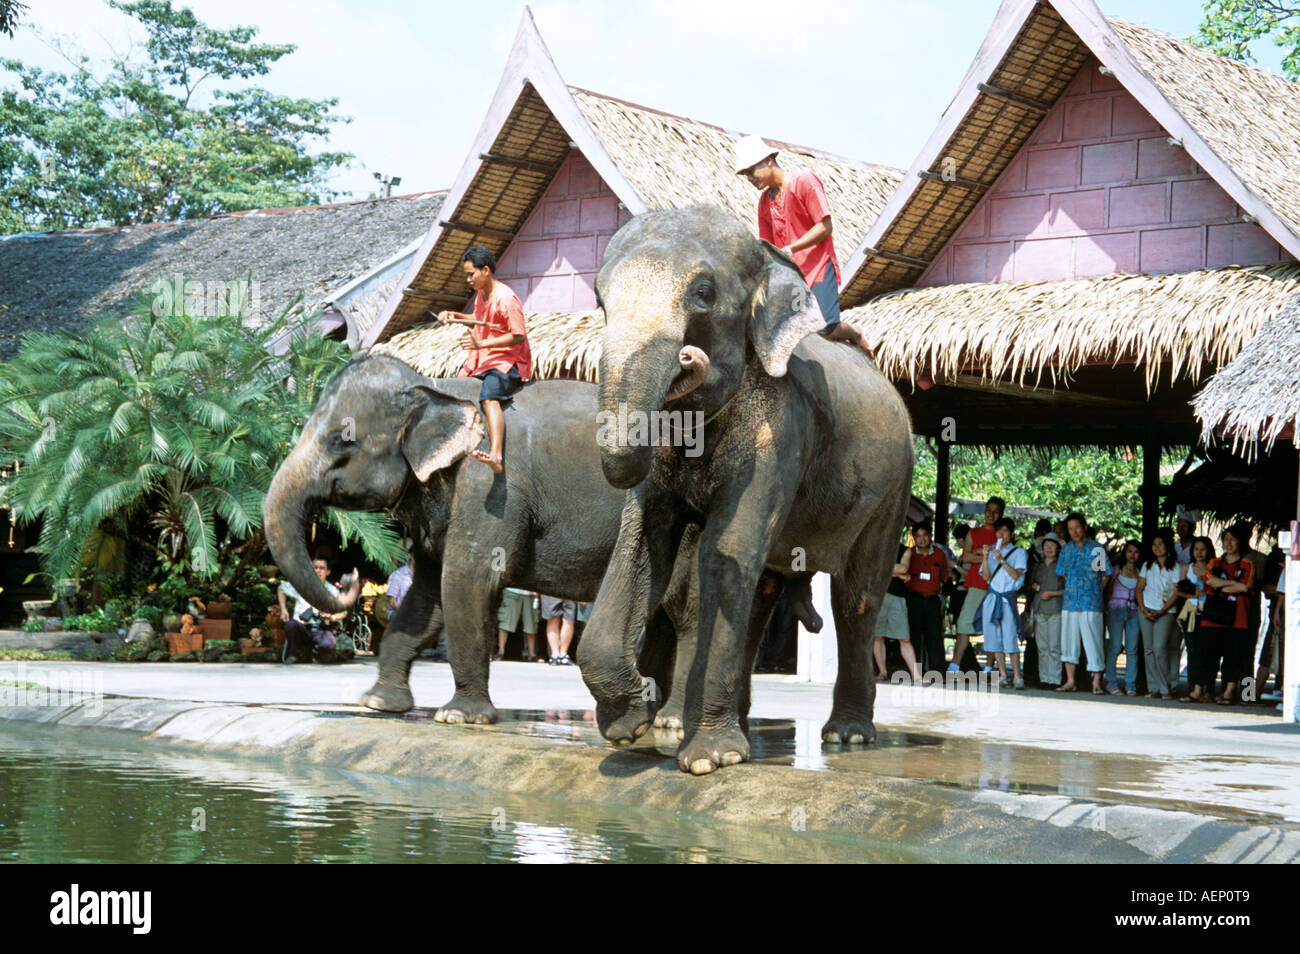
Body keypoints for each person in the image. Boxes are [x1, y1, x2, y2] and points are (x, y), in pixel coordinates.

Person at [733, 135, 876, 362]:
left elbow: (825, 226)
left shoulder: (804, 182)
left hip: (817, 266)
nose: (750, 178)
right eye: (746, 174)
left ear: (768, 160)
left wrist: (791, 248)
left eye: (751, 171)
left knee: (826, 329)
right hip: (791, 275)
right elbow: (768, 246)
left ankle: (854, 332)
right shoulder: (764, 203)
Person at [436, 246, 532, 474]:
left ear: (485, 270)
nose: (468, 279)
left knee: (489, 396)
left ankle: (496, 455)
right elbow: (479, 321)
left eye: (471, 274)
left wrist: (482, 345)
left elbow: (518, 335)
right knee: (457, 385)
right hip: (485, 359)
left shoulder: (506, 298)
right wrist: (455, 316)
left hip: (509, 361)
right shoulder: (482, 294)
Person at [1201, 523, 1256, 705]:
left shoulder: (1250, 562)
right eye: (1226, 539)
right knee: (1211, 655)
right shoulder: (1215, 562)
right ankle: (1210, 691)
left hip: (1243, 616)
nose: (1229, 543)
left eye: (1233, 539)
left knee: (1242, 657)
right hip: (1216, 615)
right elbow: (1209, 582)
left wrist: (1220, 584)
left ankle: (1246, 695)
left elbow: (1245, 586)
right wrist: (1233, 585)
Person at [1056, 512, 1111, 693]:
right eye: (1071, 529)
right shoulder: (1066, 550)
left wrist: (1094, 593)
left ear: (1085, 528)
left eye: (1077, 527)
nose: (1074, 531)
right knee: (1069, 641)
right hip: (1071, 602)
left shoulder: (1096, 549)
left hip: (1091, 602)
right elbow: (1064, 575)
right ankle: (1070, 680)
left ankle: (1096, 681)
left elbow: (1105, 576)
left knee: (1093, 641)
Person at [950, 497, 1004, 673]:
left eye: (996, 511)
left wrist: (979, 553)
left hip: (996, 587)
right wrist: (988, 556)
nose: (991, 514)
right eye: (989, 509)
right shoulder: (973, 533)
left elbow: (1005, 559)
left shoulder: (1003, 534)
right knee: (964, 624)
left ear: (1001, 514)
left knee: (992, 627)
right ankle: (954, 666)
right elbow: (966, 557)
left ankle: (989, 669)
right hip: (976, 584)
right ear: (985, 511)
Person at [980, 517, 1028, 689]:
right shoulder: (991, 550)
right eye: (998, 531)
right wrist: (986, 558)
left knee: (1010, 638)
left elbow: (1016, 575)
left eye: (1005, 531)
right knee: (994, 639)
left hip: (1007, 598)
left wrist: (1001, 559)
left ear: (1012, 534)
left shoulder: (1019, 552)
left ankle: (1017, 676)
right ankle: (1002, 674)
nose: (1001, 534)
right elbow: (986, 577)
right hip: (992, 597)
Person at [1137, 529, 1182, 699]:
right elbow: (1139, 588)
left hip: (1166, 611)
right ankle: (1153, 687)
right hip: (1146, 609)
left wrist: (1162, 610)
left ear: (1168, 546)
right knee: (1148, 649)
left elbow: (1177, 593)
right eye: (1154, 544)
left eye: (1160, 544)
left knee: (1160, 649)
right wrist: (1143, 609)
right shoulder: (1147, 565)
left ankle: (1165, 688)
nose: (1157, 547)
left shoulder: (1175, 567)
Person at [278, 557, 346, 663]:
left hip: (321, 629)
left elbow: (343, 612)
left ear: (328, 572)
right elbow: (281, 588)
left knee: (329, 645)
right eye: (315, 568)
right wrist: (283, 609)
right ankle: (293, 655)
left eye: (322, 568)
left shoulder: (333, 591)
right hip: (301, 627)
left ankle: (313, 655)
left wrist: (333, 617)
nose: (318, 570)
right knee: (290, 625)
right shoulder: (301, 585)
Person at [905, 520, 948, 676]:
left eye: (925, 535)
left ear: (930, 536)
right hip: (914, 599)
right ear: (914, 538)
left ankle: (938, 672)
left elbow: (944, 577)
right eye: (918, 536)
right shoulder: (908, 553)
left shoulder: (939, 554)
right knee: (914, 636)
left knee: (935, 637)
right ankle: (915, 672)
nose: (921, 539)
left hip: (932, 600)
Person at [875, 542, 921, 682]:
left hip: (898, 598)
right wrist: (898, 573)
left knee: (905, 638)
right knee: (877, 637)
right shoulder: (877, 545)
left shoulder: (905, 549)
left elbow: (903, 568)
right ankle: (882, 672)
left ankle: (916, 676)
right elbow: (869, 567)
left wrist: (881, 568)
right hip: (878, 595)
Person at [1179, 536, 1216, 703]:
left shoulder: (1214, 567)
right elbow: (1179, 590)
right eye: (1196, 549)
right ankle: (1194, 688)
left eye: (1203, 549)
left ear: (1208, 551)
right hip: (1191, 613)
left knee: (1209, 652)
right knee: (1192, 651)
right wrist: (1194, 593)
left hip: (1209, 613)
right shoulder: (1187, 568)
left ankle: (1209, 689)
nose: (1199, 553)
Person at [1103, 540, 1143, 695]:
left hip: (1134, 610)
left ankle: (1130, 685)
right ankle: (1112, 683)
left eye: (1136, 552)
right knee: (1114, 647)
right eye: (1129, 551)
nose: (1132, 555)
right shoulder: (1116, 570)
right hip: (1115, 609)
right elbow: (1107, 589)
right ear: (1124, 553)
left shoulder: (1141, 572)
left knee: (1132, 649)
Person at [1028, 532, 1065, 686]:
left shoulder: (1062, 566)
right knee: (1042, 646)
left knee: (1054, 646)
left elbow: (1068, 589)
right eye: (1046, 545)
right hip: (1039, 609)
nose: (1049, 548)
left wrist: (1052, 594)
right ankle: (1044, 678)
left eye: (1052, 545)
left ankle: (1055, 679)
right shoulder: (1038, 566)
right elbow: (1030, 585)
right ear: (1042, 548)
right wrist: (1034, 586)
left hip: (1056, 609)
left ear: (1057, 548)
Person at [495, 587, 540, 662]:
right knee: (505, 622)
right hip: (512, 591)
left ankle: (532, 654)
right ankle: (500, 652)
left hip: (530, 593)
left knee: (531, 624)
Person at [540, 595, 577, 666]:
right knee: (552, 619)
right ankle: (555, 654)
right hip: (550, 588)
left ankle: (563, 655)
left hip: (570, 588)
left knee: (569, 620)